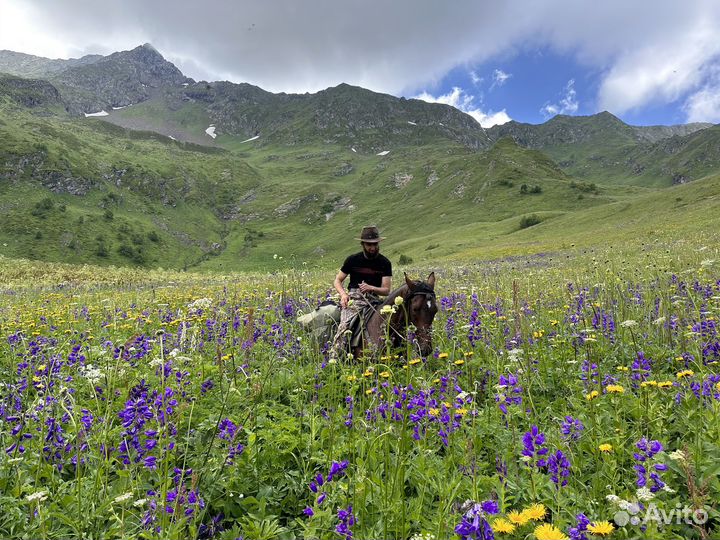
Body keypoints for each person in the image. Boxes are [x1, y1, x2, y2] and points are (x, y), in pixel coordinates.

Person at [330, 225, 392, 359]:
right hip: (354, 299)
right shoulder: (352, 260)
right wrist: (343, 295)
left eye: (375, 244)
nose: (372, 248)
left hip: (374, 300)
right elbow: (337, 280)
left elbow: (386, 290)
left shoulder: (385, 262)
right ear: (362, 244)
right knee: (344, 326)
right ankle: (335, 357)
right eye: (369, 245)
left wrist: (372, 288)